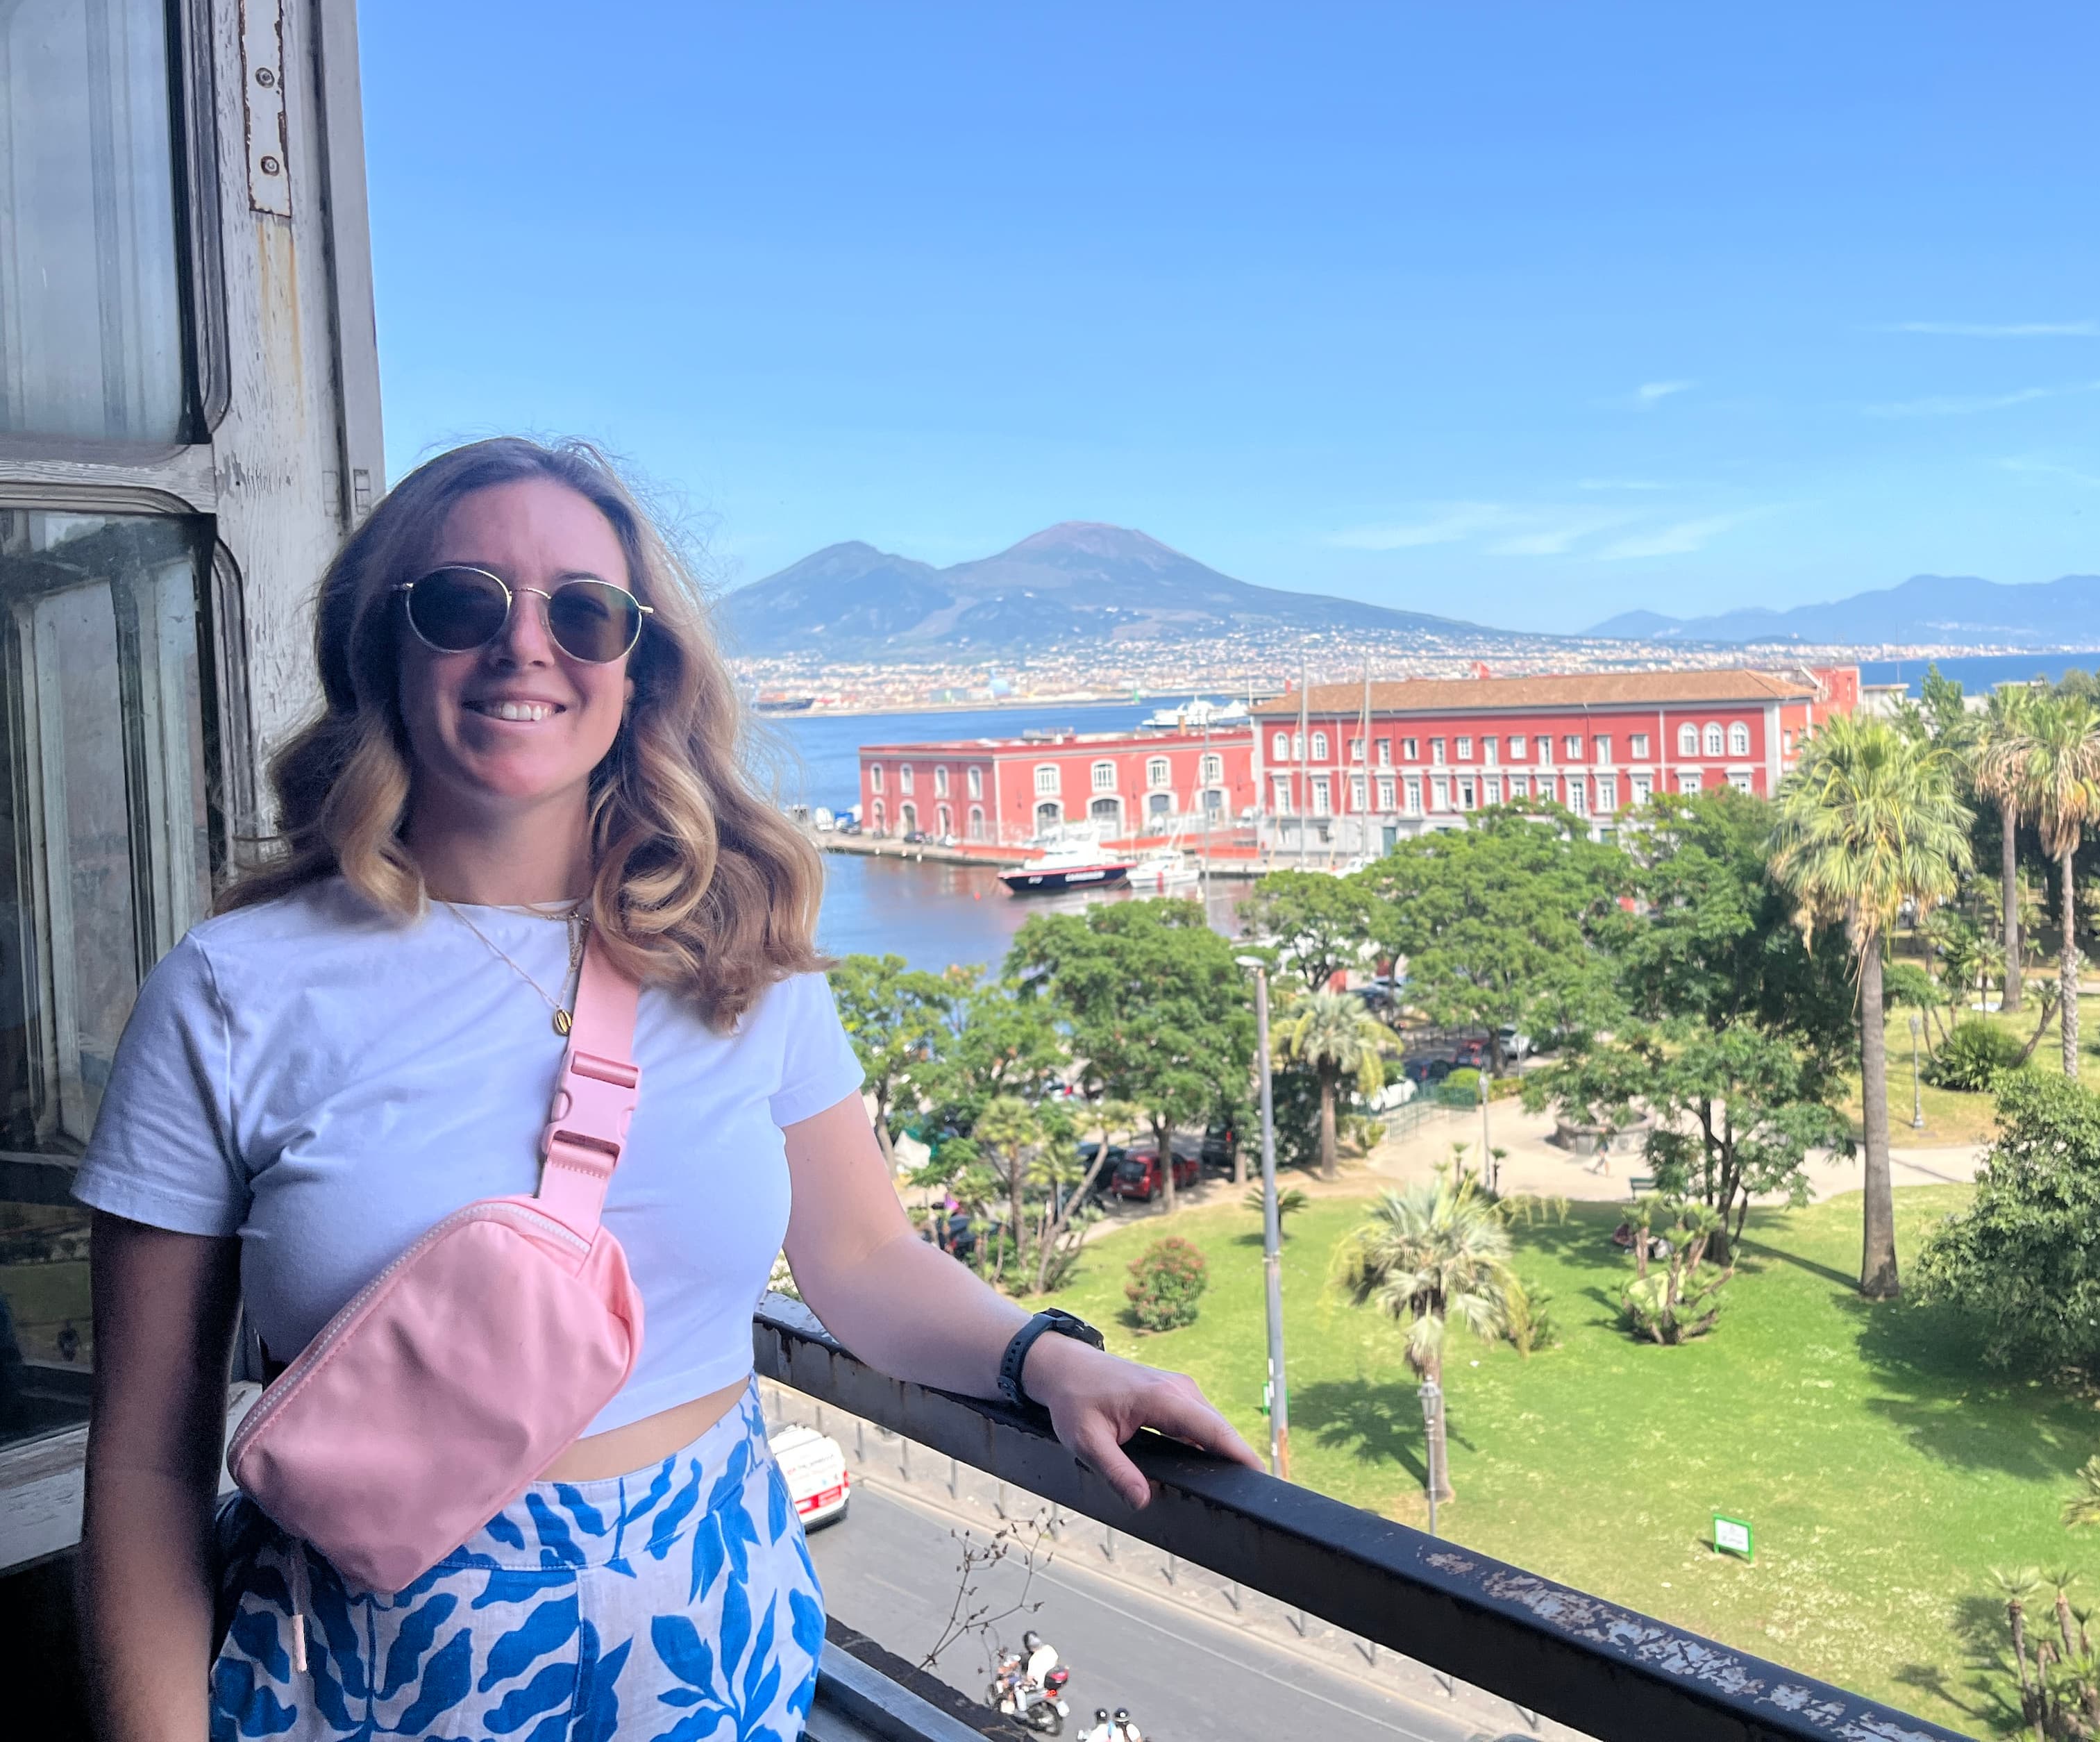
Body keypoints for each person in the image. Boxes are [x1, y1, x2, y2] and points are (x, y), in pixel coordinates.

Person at [76, 439, 1259, 1741]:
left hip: (711, 1654)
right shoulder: (235, 991)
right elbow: (143, 1458)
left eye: (583, 613)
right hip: (360, 1680)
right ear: (383, 647)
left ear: (638, 669)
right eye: (465, 602)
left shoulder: (738, 952)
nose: (527, 647)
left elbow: (861, 1258)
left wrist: (1045, 1362)